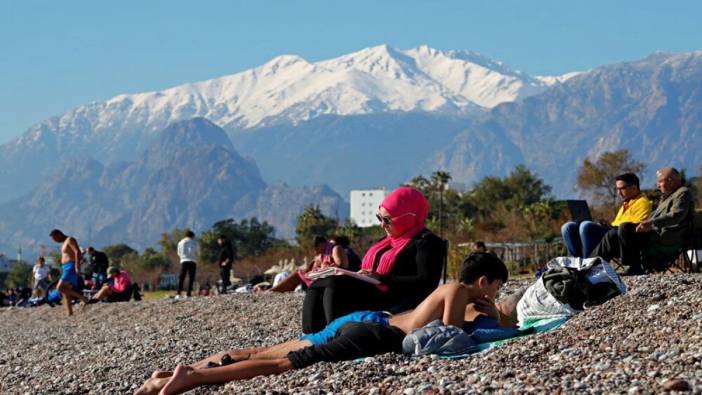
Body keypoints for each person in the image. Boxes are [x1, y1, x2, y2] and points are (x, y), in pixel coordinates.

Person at [134, 252, 508, 395]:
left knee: (266, 350)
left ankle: (166, 375)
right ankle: (192, 378)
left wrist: (491, 311)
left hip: (363, 319)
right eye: (495, 287)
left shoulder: (459, 292)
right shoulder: (458, 289)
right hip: (377, 333)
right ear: (483, 282)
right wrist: (492, 313)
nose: (493, 294)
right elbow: (448, 336)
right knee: (281, 364)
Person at [302, 186, 445, 334]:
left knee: (334, 284)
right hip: (374, 290)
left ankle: (333, 334)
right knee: (320, 282)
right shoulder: (387, 240)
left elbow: (426, 282)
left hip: (395, 298)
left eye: (387, 220)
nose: (382, 225)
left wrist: (382, 278)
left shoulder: (426, 242)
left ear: (408, 216)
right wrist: (338, 270)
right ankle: (310, 334)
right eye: (380, 218)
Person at [591, 167, 694, 274]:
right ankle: (592, 266)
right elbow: (654, 216)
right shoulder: (668, 197)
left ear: (670, 181)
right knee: (612, 234)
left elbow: (676, 215)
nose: (658, 185)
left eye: (659, 182)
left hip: (666, 237)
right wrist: (641, 224)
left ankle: (630, 266)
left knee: (624, 227)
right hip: (654, 234)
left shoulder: (683, 193)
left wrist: (651, 223)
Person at [562, 173, 652, 258]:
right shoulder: (626, 203)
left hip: (621, 240)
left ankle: (588, 263)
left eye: (622, 189)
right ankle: (574, 263)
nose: (619, 193)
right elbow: (617, 224)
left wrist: (611, 228)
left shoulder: (642, 203)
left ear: (634, 188)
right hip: (611, 233)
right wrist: (608, 225)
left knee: (586, 226)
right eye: (617, 189)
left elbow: (633, 227)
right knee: (568, 227)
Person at [49, 228, 89, 315]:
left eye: (55, 239)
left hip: (70, 267)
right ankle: (69, 313)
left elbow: (77, 252)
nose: (55, 241)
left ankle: (83, 298)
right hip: (66, 267)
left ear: (59, 234)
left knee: (59, 287)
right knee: (66, 291)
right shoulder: (64, 243)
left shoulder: (70, 240)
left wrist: (77, 267)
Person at [176, 230, 199, 298]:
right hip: (193, 261)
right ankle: (188, 294)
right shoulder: (195, 243)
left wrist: (182, 257)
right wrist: (195, 257)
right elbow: (198, 252)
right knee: (191, 278)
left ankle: (178, 293)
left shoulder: (181, 242)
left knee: (181, 277)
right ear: (192, 236)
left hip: (184, 261)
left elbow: (178, 252)